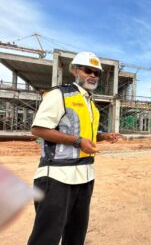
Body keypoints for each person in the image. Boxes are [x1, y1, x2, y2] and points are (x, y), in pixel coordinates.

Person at [28, 51, 122, 245]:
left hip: (85, 176)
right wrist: (78, 141)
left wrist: (104, 136)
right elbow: (38, 129)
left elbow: (87, 136)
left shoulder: (91, 103)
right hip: (57, 177)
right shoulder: (59, 95)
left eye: (97, 73)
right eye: (89, 70)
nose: (93, 76)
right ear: (75, 70)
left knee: (76, 236)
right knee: (46, 237)